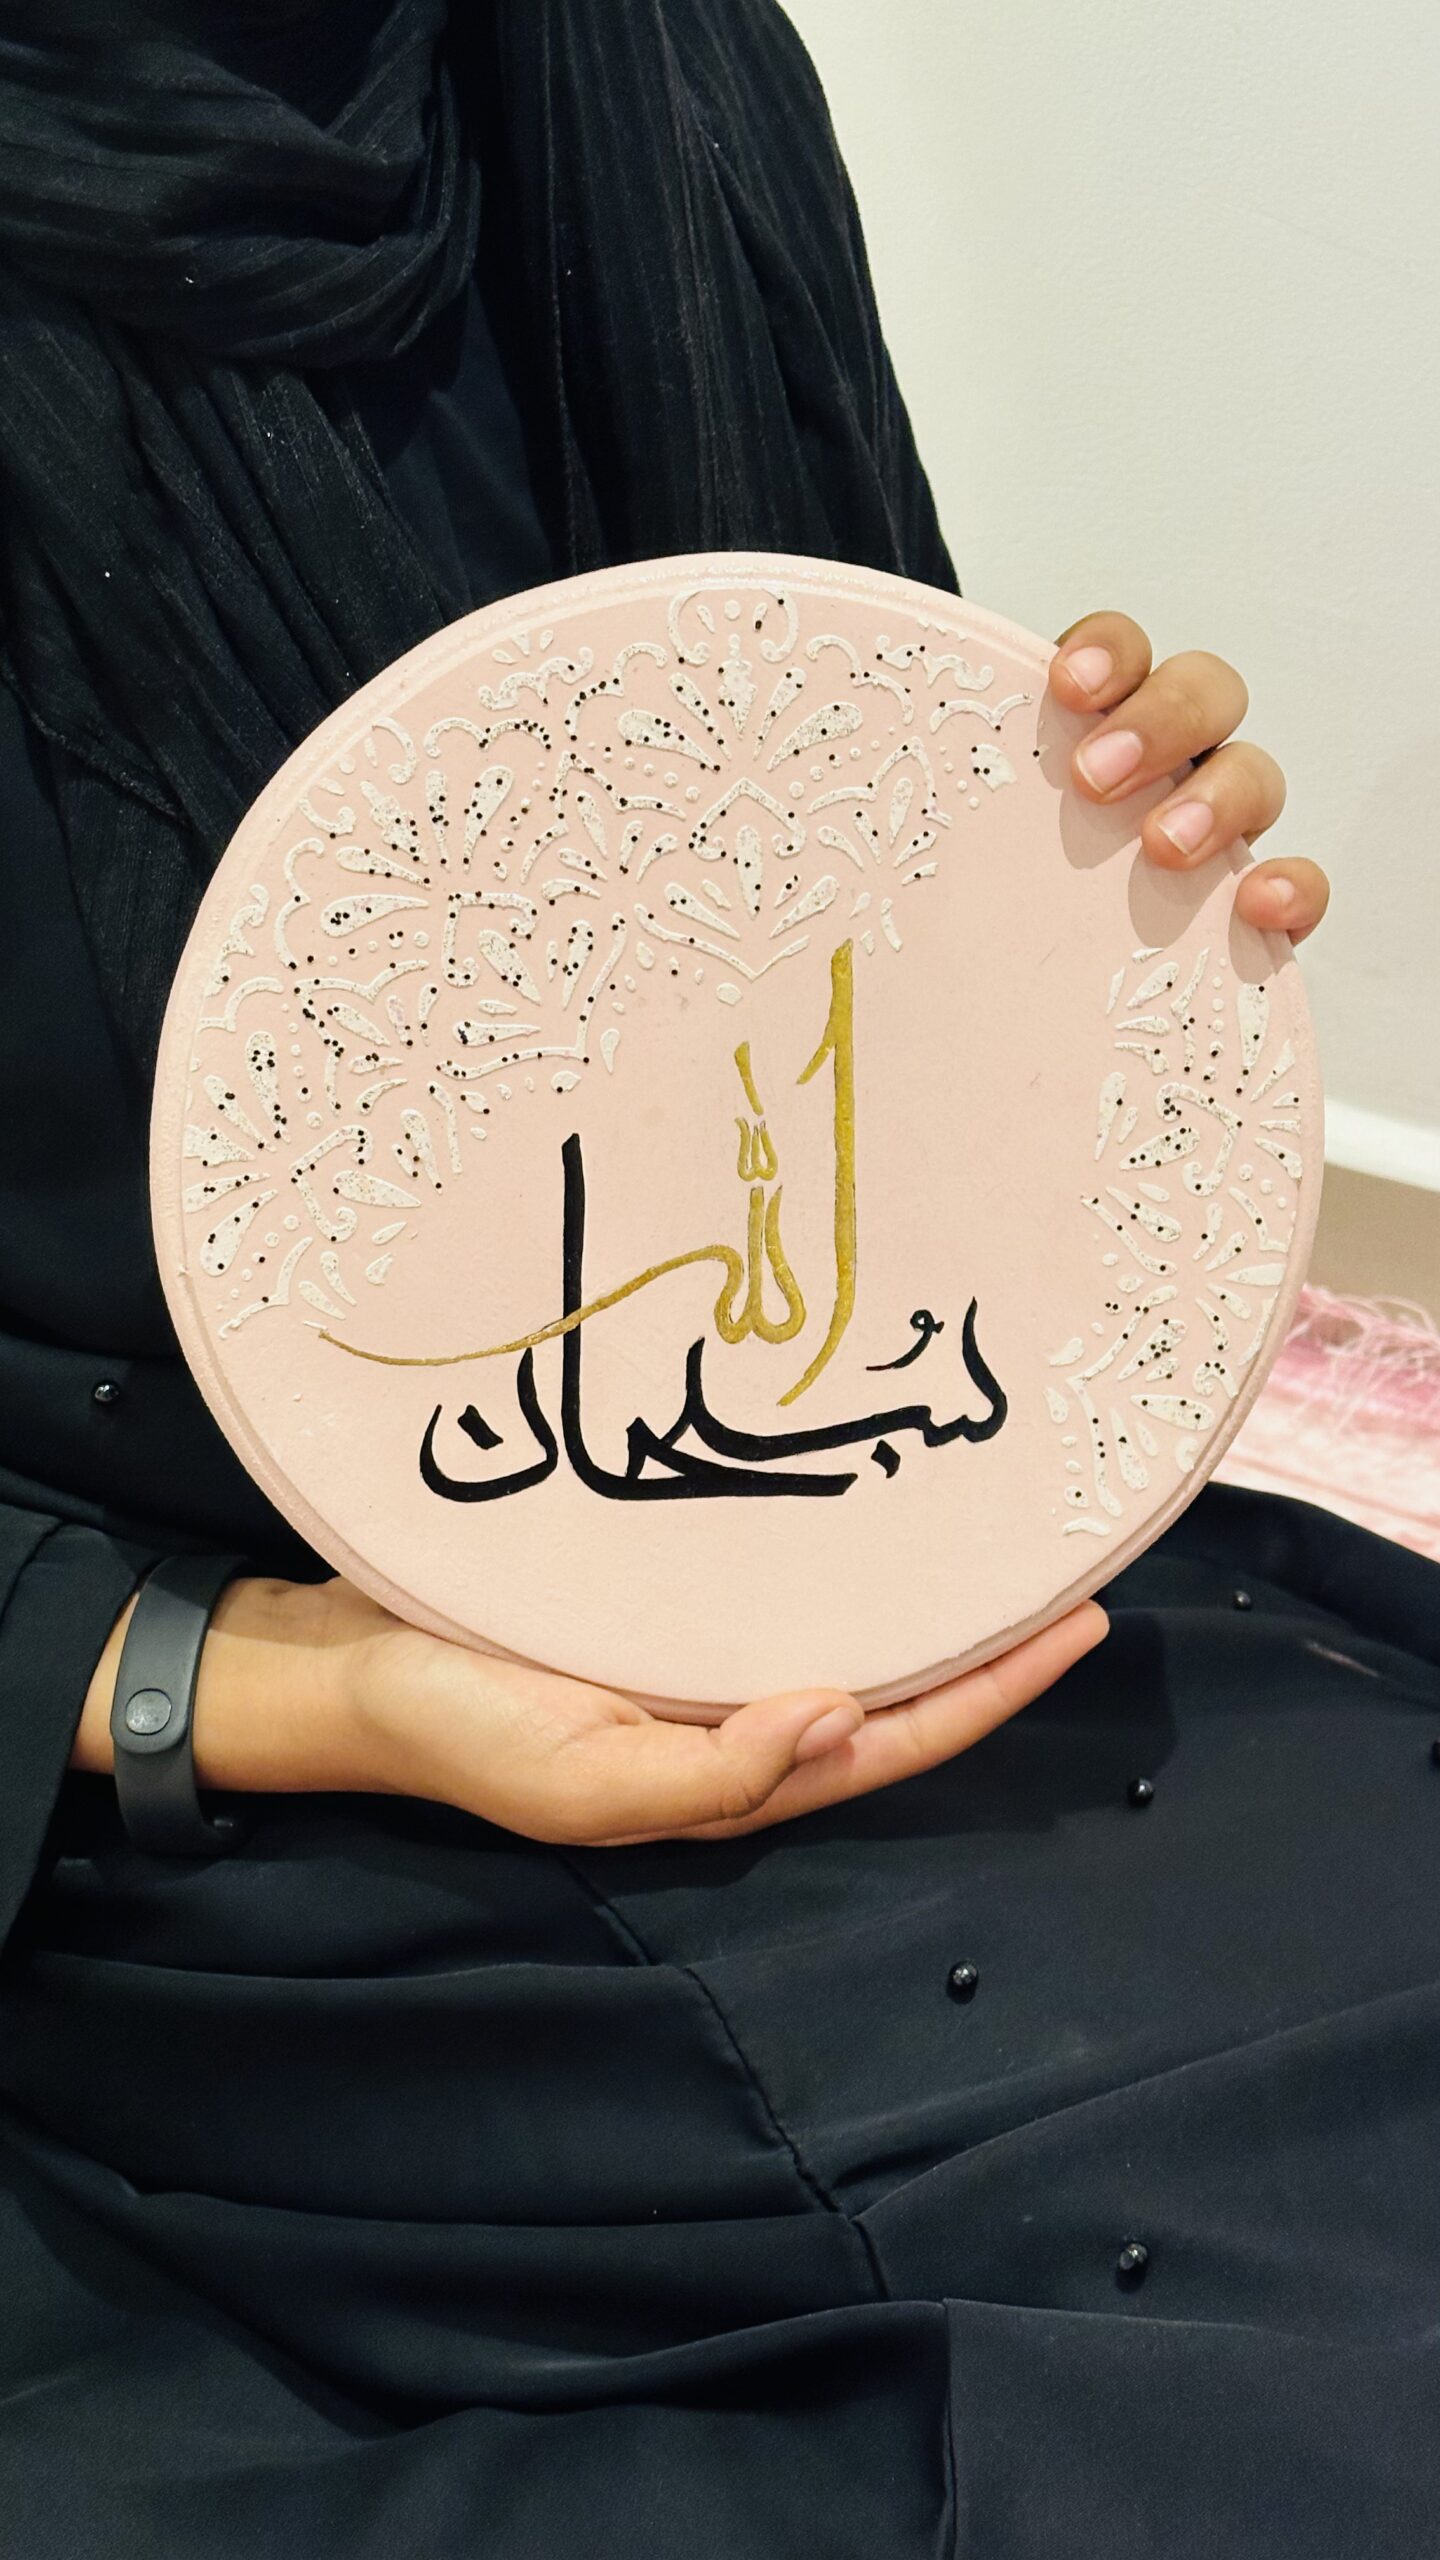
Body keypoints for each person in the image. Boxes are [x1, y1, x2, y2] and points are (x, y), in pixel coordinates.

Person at [0, 6, 1434, 2555]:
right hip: (226, 1814)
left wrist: (1098, 896)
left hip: (854, 1558)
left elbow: (814, 956)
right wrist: (299, 1684)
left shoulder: (626, 71)